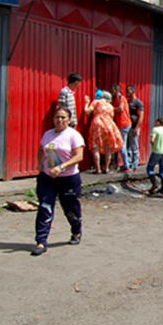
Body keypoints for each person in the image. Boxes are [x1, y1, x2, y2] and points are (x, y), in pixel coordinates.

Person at [31, 107, 85, 256]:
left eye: (63, 117)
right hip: (48, 178)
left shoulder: (74, 136)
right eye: (57, 117)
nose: (59, 120)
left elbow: (79, 156)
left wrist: (61, 167)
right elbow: (42, 149)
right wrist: (39, 164)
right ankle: (41, 241)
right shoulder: (48, 134)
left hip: (68, 179)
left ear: (69, 120)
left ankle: (76, 232)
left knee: (70, 210)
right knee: (45, 207)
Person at [84, 91, 123, 173]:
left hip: (97, 123)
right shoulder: (110, 106)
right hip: (109, 125)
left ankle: (98, 169)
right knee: (108, 147)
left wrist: (86, 103)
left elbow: (87, 111)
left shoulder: (96, 102)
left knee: (95, 147)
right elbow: (111, 117)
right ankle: (106, 168)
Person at [146, 117, 163, 195]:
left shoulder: (155, 129)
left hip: (156, 151)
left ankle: (154, 183)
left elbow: (152, 140)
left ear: (158, 122)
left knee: (150, 168)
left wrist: (154, 145)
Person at [111, 83, 133, 172]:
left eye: (112, 90)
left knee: (122, 145)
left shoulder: (121, 98)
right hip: (123, 124)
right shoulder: (118, 98)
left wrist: (111, 108)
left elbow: (120, 109)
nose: (111, 91)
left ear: (116, 90)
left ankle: (126, 165)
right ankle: (124, 164)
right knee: (121, 144)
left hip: (123, 124)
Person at [126, 85, 144, 171]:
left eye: (128, 90)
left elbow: (141, 116)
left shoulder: (138, 103)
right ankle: (128, 163)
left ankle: (135, 165)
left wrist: (137, 128)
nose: (127, 92)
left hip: (134, 126)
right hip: (127, 126)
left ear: (133, 91)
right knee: (128, 146)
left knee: (134, 146)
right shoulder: (127, 101)